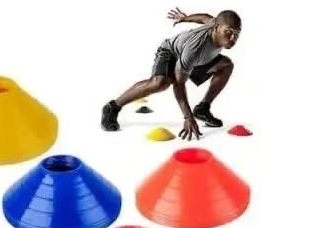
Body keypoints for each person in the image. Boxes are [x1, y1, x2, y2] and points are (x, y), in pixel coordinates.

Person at [100, 8, 241, 140]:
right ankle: (112, 107)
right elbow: (179, 83)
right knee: (160, 83)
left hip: (198, 59)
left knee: (226, 65)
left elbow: (204, 17)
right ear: (216, 27)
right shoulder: (195, 49)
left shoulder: (214, 23)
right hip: (171, 52)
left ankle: (202, 109)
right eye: (228, 32)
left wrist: (185, 18)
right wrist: (188, 117)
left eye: (237, 33)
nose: (233, 38)